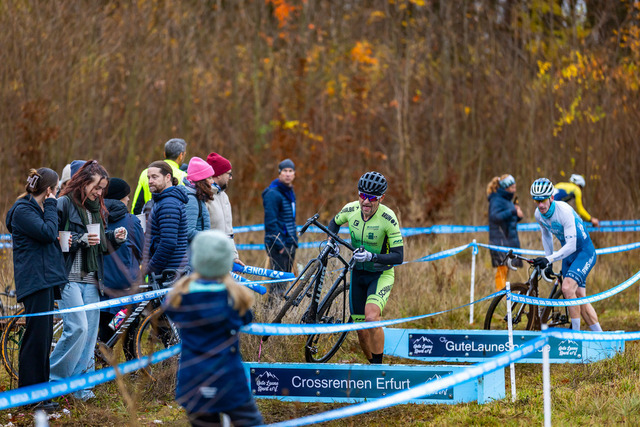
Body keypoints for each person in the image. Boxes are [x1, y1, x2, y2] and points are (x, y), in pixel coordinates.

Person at [164, 230, 263, 426]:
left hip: (193, 382)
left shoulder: (180, 297)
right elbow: (247, 317)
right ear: (225, 263)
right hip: (228, 380)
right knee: (251, 422)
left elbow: (169, 310)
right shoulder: (233, 298)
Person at [51, 160, 127, 401]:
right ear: (83, 182)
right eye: (96, 187)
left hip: (93, 278)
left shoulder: (98, 208)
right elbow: (53, 238)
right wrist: (81, 239)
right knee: (78, 328)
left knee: (90, 334)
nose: (100, 192)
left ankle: (82, 389)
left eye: (103, 188)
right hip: (68, 277)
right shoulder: (63, 203)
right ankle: (52, 382)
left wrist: (114, 237)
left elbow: (100, 244)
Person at [327, 171, 404, 364]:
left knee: (371, 319)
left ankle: (379, 369)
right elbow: (334, 223)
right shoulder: (350, 209)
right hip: (358, 273)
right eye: (362, 195)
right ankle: (372, 365)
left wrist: (372, 256)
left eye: (372, 198)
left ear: (381, 198)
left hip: (380, 274)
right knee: (361, 329)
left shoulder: (388, 217)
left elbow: (399, 256)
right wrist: (331, 241)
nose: (366, 201)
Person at [6, 168, 66, 413]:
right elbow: (48, 233)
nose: (58, 193)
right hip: (35, 281)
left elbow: (48, 235)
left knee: (44, 340)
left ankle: (41, 394)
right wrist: (51, 206)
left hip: (45, 280)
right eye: (57, 189)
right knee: (35, 339)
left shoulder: (35, 210)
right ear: (49, 189)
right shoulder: (23, 210)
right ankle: (30, 398)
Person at [530, 178, 602, 332]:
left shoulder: (564, 211)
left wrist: (548, 259)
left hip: (583, 252)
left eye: (543, 200)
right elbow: (546, 236)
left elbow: (571, 245)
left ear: (551, 197)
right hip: (568, 256)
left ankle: (574, 336)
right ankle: (601, 337)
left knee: (568, 288)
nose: (540, 205)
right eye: (537, 201)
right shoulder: (538, 214)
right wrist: (549, 263)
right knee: (580, 296)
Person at [98, 178, 144, 344]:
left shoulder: (95, 217)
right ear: (120, 197)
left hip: (100, 285)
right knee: (126, 328)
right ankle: (130, 361)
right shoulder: (131, 221)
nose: (129, 199)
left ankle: (101, 352)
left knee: (104, 327)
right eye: (126, 196)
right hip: (125, 286)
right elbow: (141, 250)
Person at [143, 160, 189, 274]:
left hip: (169, 273)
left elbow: (168, 243)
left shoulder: (168, 204)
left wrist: (149, 269)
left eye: (154, 177)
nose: (150, 181)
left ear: (168, 177)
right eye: (149, 177)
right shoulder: (163, 201)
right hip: (169, 271)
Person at [262, 158, 297, 280]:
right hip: (279, 246)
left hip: (290, 242)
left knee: (286, 282)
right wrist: (280, 245)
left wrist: (294, 240)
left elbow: (291, 219)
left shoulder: (289, 192)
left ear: (294, 174)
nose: (288, 174)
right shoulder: (273, 193)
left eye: (290, 171)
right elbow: (270, 222)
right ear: (279, 173)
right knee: (278, 284)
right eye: (285, 171)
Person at [486, 174, 524, 291]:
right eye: (512, 187)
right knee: (502, 270)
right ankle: (500, 295)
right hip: (500, 240)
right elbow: (494, 217)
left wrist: (517, 215)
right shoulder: (496, 200)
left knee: (505, 270)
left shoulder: (507, 200)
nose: (514, 190)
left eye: (515, 187)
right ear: (506, 188)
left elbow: (508, 220)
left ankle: (503, 294)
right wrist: (513, 211)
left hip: (508, 240)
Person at [131, 138, 188, 215]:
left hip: (148, 217)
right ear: (181, 155)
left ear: (164, 154)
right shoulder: (184, 176)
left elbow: (137, 205)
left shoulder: (146, 172)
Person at [206, 152, 243, 266]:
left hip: (223, 260)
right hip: (208, 260)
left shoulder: (224, 197)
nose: (230, 177)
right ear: (218, 175)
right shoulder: (204, 197)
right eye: (228, 174)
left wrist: (234, 256)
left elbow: (228, 232)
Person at [184, 157, 213, 243]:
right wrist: (210, 237)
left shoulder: (198, 196)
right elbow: (188, 232)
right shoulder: (191, 199)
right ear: (201, 180)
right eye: (209, 178)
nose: (212, 181)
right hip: (193, 249)